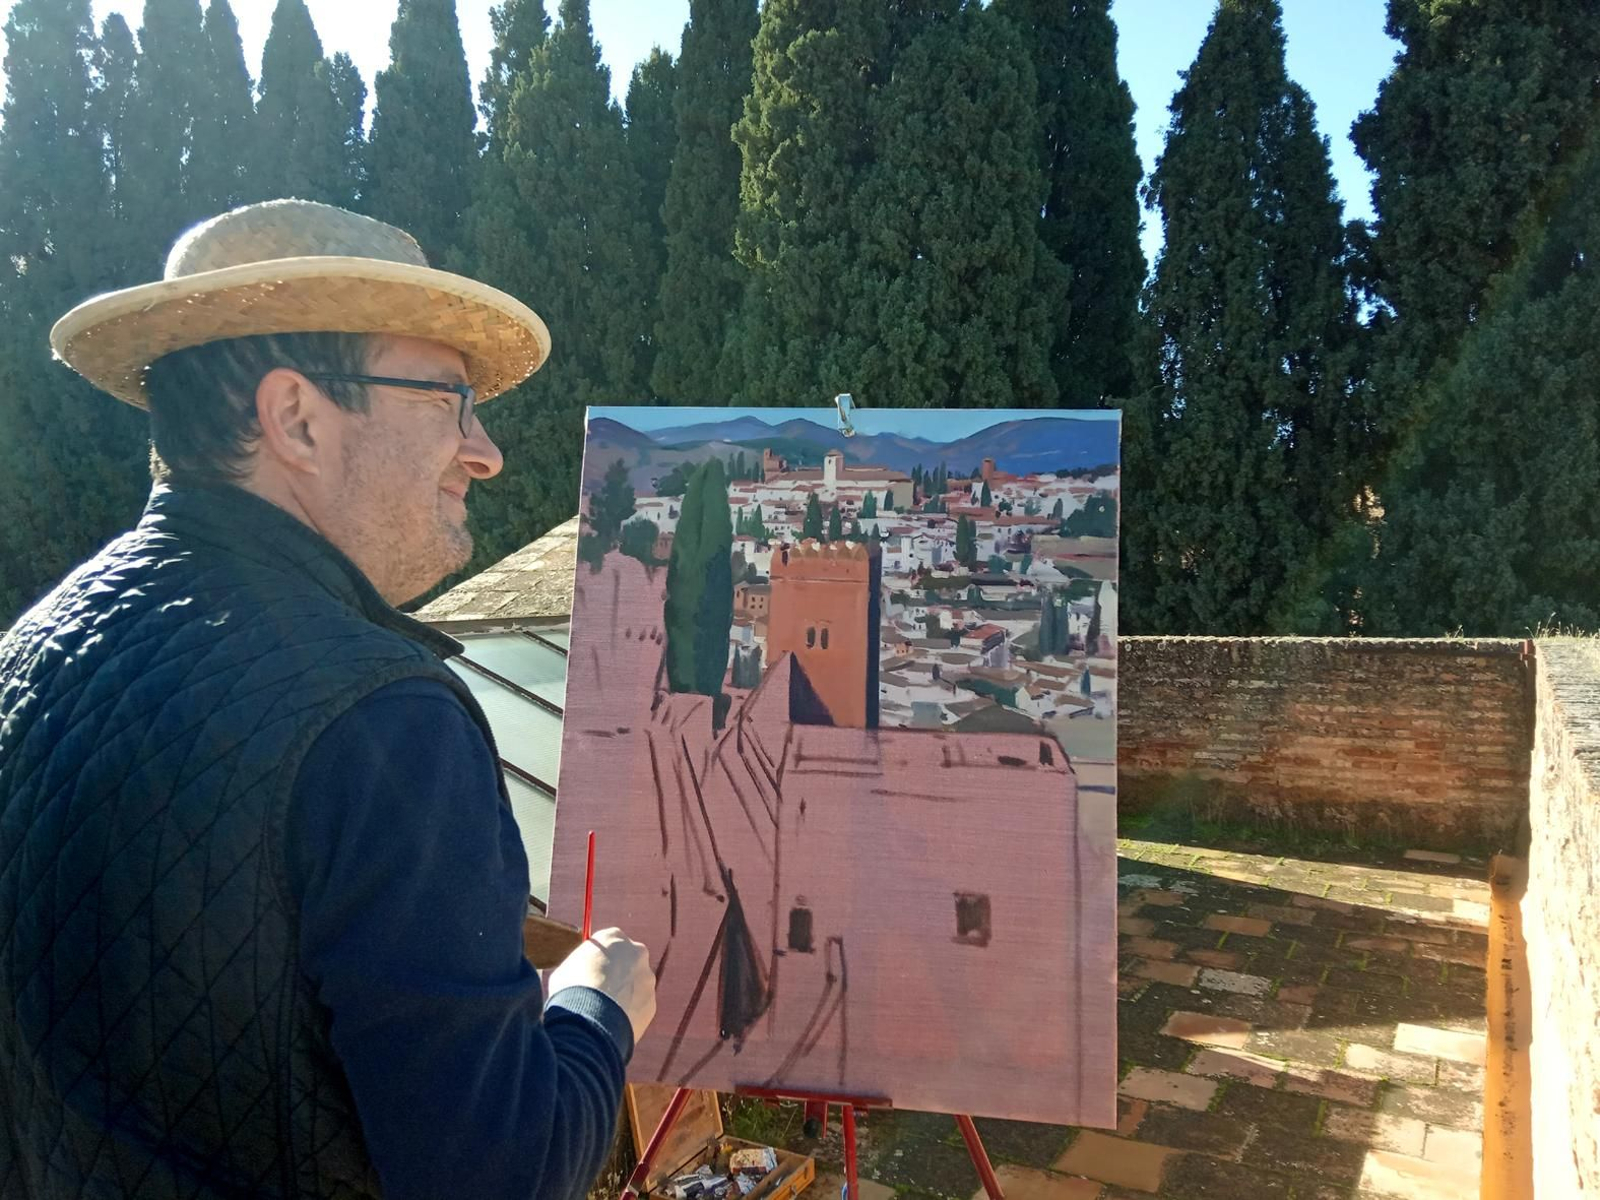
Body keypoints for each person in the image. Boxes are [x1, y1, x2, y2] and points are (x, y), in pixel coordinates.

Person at [0, 199, 656, 1199]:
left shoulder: (32, 648)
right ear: (297, 418)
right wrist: (593, 1012)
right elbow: (499, 1176)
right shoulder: (380, 717)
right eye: (447, 400)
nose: (486, 453)